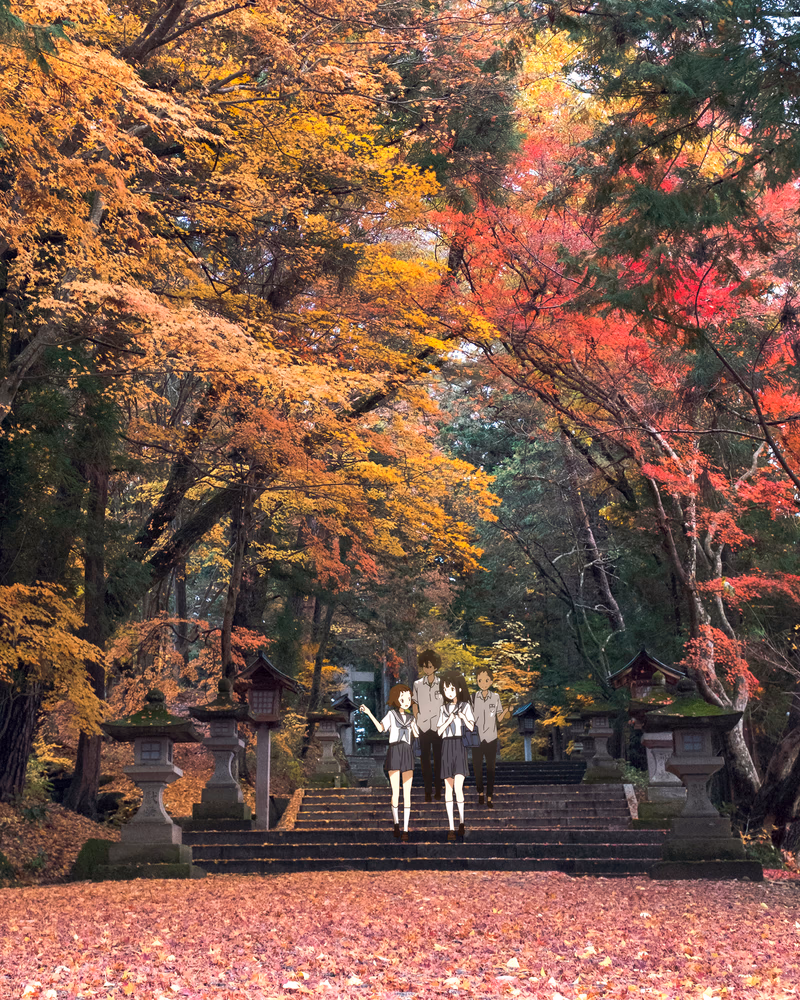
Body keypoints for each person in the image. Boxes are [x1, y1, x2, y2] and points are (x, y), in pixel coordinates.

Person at [360, 684, 419, 842]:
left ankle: (405, 828)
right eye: (402, 698)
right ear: (396, 699)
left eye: (408, 698)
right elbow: (381, 728)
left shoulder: (412, 718)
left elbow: (418, 734)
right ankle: (396, 823)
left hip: (407, 752)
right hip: (394, 751)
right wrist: (369, 713)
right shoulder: (391, 715)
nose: (406, 701)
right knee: (395, 792)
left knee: (407, 793)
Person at [436, 669, 475, 842]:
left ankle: (462, 821)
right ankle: (451, 825)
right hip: (446, 745)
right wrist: (449, 719)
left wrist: (461, 717)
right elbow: (439, 731)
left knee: (458, 786)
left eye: (451, 688)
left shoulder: (465, 706)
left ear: (458, 689)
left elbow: (472, 727)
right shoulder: (442, 708)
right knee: (448, 788)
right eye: (446, 689)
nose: (448, 692)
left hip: (459, 744)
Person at [471, 666, 512, 808]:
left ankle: (489, 796)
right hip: (477, 737)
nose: (483, 683)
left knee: (490, 768)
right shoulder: (473, 698)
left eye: (486, 680)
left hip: (491, 737)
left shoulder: (495, 697)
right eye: (480, 680)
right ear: (477, 681)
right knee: (477, 767)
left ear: (491, 681)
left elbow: (500, 718)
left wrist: (506, 710)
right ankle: (480, 792)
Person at [412, 649, 443, 802]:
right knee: (424, 760)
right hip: (423, 726)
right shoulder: (417, 684)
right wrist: (418, 719)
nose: (427, 669)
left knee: (438, 759)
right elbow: (415, 703)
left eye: (430, 666)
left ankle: (438, 789)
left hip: (438, 726)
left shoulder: (442, 684)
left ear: (436, 667)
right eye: (425, 666)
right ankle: (427, 791)